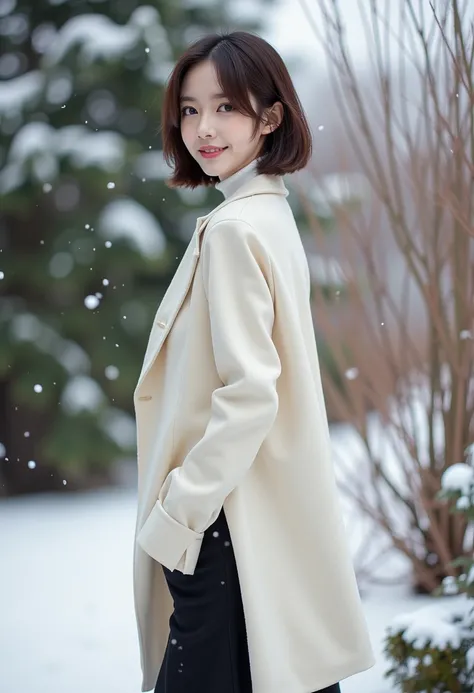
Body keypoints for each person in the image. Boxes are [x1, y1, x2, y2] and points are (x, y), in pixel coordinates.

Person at [133, 30, 375, 693]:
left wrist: (181, 510)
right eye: (188, 109)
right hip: (247, 519)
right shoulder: (266, 215)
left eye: (226, 108)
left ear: (270, 117)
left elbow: (250, 392)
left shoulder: (238, 230)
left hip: (220, 523)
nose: (203, 128)